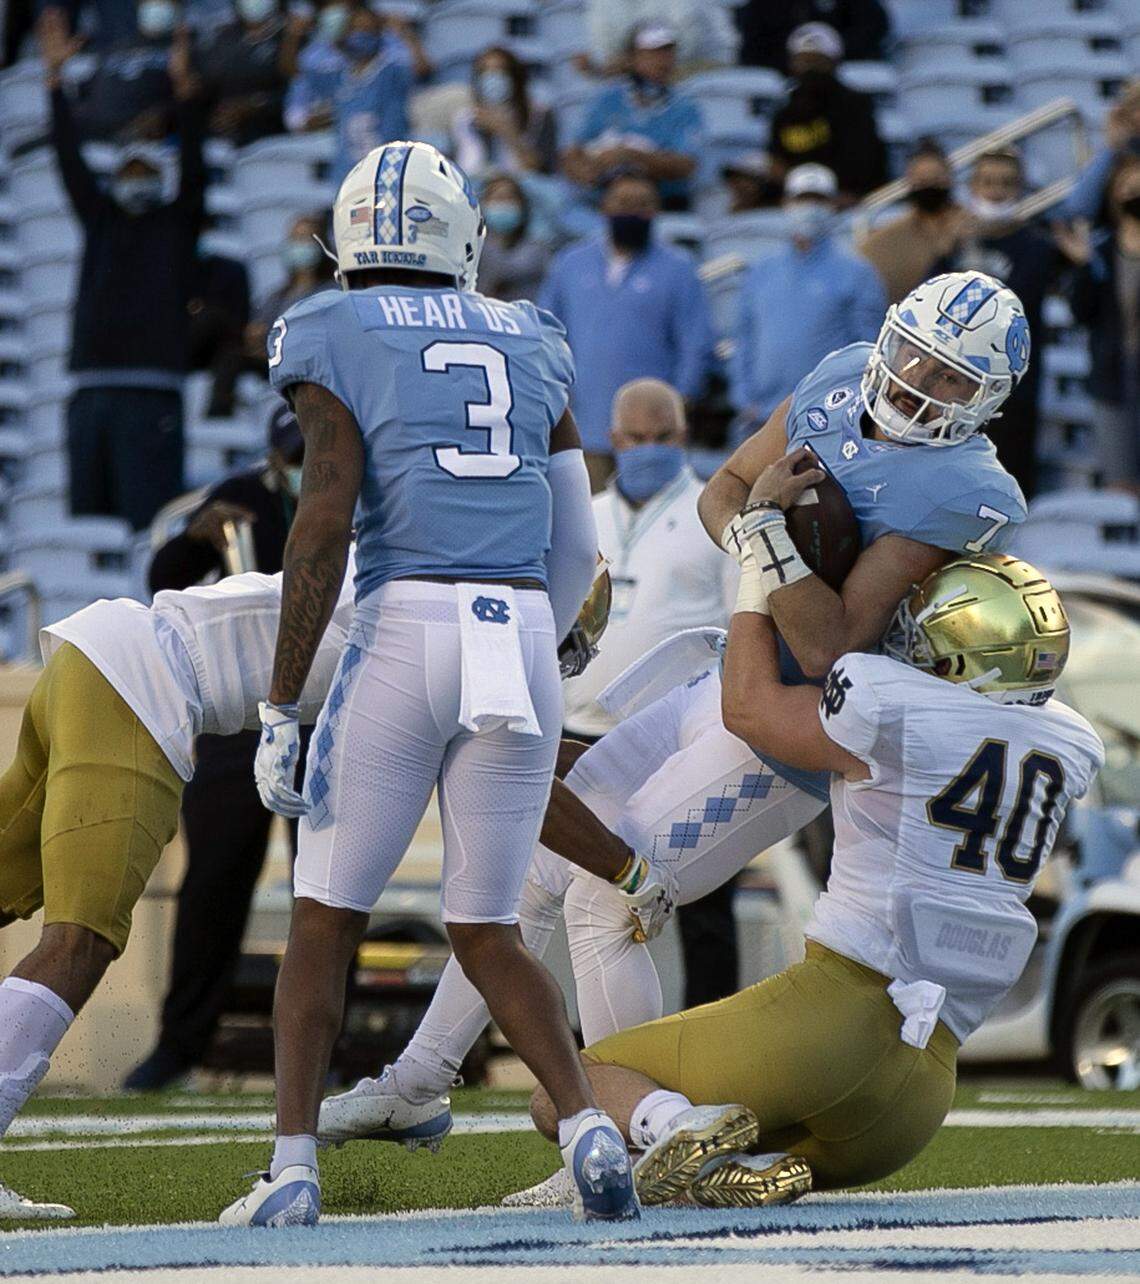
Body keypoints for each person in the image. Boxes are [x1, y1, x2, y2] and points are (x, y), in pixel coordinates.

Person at [316, 273, 1034, 1181]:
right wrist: (758, 528)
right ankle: (420, 1080)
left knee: (609, 898)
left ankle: (628, 1137)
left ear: (988, 400)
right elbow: (722, 488)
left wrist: (764, 528)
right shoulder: (842, 372)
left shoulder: (967, 486)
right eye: (916, 357)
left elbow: (828, 642)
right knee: (538, 862)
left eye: (951, 378)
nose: (918, 384)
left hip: (792, 730)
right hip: (725, 670)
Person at [219, 141, 639, 1227]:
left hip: (407, 625)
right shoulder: (531, 332)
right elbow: (577, 540)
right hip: (519, 627)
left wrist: (280, 702)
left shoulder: (330, 324)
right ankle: (588, 1125)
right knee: (488, 927)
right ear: (464, 239)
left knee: (325, 918)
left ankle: (292, 1168)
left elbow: (324, 515)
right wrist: (548, 642)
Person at [528, 553, 1103, 1205]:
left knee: (566, 1089)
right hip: (919, 1096)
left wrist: (758, 569)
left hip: (831, 1022)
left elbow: (747, 708)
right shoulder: (1069, 742)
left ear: (956, 654)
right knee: (718, 1158)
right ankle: (728, 1161)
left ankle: (671, 1126)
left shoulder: (890, 703)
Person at [0, 564, 356, 1220]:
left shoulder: (387, 576)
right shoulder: (410, 603)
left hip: (93, 657)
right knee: (80, 940)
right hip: (140, 685)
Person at [123, 406, 309, 1092]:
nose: (304, 466)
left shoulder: (359, 494)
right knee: (213, 883)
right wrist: (192, 534)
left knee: (327, 889)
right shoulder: (243, 495)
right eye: (294, 455)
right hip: (240, 712)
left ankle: (323, 1044)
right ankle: (180, 1044)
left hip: (327, 711)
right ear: (274, 456)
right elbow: (164, 580)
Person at [559, 379, 739, 1009]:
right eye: (636, 438)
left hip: (678, 737)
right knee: (564, 887)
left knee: (704, 897)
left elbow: (739, 623)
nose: (649, 448)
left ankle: (708, 1028)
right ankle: (580, 1024)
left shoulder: (715, 517)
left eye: (662, 437)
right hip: (581, 730)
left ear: (683, 436)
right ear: (613, 439)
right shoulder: (584, 514)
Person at [42, 8, 203, 532]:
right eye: (129, 170)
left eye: (146, 170)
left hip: (152, 394)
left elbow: (195, 168)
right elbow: (68, 159)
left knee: (147, 529)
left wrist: (185, 97)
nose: (137, 178)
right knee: (88, 530)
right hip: (90, 393)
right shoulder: (99, 218)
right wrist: (54, 82)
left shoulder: (177, 223)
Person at [539, 171, 714, 490]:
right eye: (622, 203)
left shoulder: (679, 267)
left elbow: (695, 342)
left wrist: (679, 402)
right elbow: (546, 334)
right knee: (590, 513)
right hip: (584, 424)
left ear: (656, 210)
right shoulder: (571, 263)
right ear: (604, 207)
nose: (632, 211)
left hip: (652, 435)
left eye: (642, 204)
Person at [937, 149, 1069, 499]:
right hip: (951, 385)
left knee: (1007, 489)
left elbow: (1009, 305)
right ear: (972, 187)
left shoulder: (1037, 246)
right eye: (988, 182)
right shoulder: (954, 244)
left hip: (1011, 389)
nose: (996, 191)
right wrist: (949, 248)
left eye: (1006, 183)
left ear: (1021, 188)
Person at [732, 164, 885, 442]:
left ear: (833, 205)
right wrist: (744, 399)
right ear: (786, 203)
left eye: (819, 200)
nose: (810, 208)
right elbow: (744, 338)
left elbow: (868, 350)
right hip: (761, 417)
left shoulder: (858, 273)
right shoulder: (761, 271)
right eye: (802, 199)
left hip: (825, 420)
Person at [562, 23, 704, 211]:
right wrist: (588, 173)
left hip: (663, 202)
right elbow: (572, 153)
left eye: (668, 52)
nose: (662, 60)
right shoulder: (607, 97)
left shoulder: (685, 107)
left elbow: (686, 165)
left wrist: (630, 156)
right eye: (652, 53)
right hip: (601, 200)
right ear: (632, 58)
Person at [1063, 153, 1140, 488]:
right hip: (1113, 378)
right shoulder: (1100, 251)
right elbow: (1080, 312)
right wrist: (1084, 267)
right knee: (1120, 483)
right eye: (1128, 186)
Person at [284, 5, 413, 183]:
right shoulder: (338, 77)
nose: (361, 35)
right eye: (355, 29)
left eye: (367, 29)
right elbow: (296, 71)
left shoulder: (392, 73)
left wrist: (403, 32)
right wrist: (294, 35)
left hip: (388, 169)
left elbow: (422, 68)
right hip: (347, 171)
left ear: (378, 33)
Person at [767, 23, 887, 204]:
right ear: (792, 64)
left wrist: (845, 195)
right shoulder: (783, 113)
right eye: (802, 61)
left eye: (817, 61)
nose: (809, 68)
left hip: (848, 199)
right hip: (797, 199)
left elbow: (865, 161)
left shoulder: (855, 105)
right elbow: (776, 164)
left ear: (834, 63)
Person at [857, 139, 968, 305]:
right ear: (909, 182)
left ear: (949, 178)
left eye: (936, 178)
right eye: (922, 180)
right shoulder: (888, 239)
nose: (929, 185)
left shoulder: (972, 226)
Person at [243, 213, 332, 381]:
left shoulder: (331, 292)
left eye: (305, 239)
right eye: (294, 239)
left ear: (321, 245)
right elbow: (257, 330)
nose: (299, 245)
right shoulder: (276, 296)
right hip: (272, 362)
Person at [450, 46, 557, 179]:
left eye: (500, 71)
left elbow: (540, 169)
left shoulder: (539, 115)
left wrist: (505, 131)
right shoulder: (464, 118)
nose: (492, 78)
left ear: (515, 77)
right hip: (475, 183)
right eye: (485, 71)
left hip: (521, 184)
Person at [195, 0, 291, 146]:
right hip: (222, 140)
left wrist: (255, 105)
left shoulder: (289, 37)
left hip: (273, 139)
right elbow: (204, 86)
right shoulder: (224, 37)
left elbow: (295, 92)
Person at [578, 0, 737, 78]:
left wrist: (642, 62)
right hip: (637, 67)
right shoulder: (602, 3)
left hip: (700, 66)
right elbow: (606, 45)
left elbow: (688, 39)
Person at [736, 0, 890, 70]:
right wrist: (796, 56)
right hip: (779, 70)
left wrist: (830, 50)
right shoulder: (763, 5)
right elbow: (754, 39)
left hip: (844, 68)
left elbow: (873, 27)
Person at [476, 174, 551, 303]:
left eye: (509, 199)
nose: (503, 205)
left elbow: (506, 271)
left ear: (522, 206)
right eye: (497, 199)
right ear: (483, 205)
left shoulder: (538, 251)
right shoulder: (471, 249)